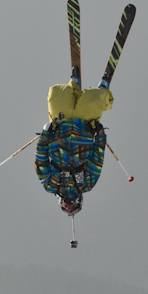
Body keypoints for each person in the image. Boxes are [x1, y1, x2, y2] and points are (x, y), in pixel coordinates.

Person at [35, 81, 111, 215]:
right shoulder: (86, 184)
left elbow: (41, 158)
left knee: (57, 92)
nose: (68, 205)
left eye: (65, 208)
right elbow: (97, 159)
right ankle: (103, 88)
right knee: (94, 97)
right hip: (84, 128)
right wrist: (99, 134)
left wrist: (46, 133)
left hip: (60, 126)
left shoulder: (50, 185)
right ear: (79, 202)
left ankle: (74, 85)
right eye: (73, 207)